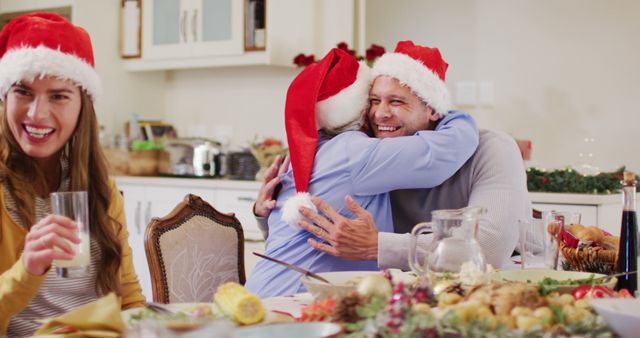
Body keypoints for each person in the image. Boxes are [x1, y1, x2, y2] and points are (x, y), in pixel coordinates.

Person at [256, 41, 530, 271]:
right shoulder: (370, 151)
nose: (380, 113)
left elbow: (490, 246)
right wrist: (266, 209)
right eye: (374, 101)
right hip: (401, 297)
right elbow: (309, 236)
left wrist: (378, 246)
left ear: (434, 109)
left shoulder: (492, 148)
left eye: (396, 102)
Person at [0, 12, 145, 336]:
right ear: (4, 97)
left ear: (82, 106)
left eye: (58, 96)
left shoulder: (102, 190)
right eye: (23, 92)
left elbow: (130, 301)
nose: (38, 113)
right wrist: (27, 269)